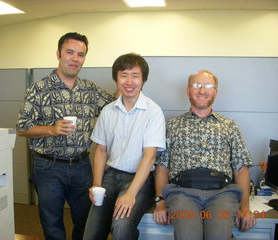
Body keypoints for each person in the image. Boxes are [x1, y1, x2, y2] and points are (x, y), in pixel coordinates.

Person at [16, 32, 118, 240]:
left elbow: (114, 106)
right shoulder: (38, 89)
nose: (75, 58)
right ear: (59, 54)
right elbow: (22, 127)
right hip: (47, 167)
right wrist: (51, 129)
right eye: (70, 52)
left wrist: (125, 80)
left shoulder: (90, 89)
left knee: (85, 220)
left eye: (80, 54)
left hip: (81, 166)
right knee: (52, 222)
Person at [153, 70, 256, 240]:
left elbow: (241, 168)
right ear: (188, 90)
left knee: (219, 236)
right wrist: (160, 202)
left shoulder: (229, 126)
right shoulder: (172, 125)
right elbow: (162, 167)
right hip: (182, 194)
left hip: (222, 194)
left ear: (215, 92)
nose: (202, 90)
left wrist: (245, 207)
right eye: (196, 85)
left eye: (208, 86)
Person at [82, 53, 166, 240]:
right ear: (116, 79)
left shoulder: (153, 112)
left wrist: (130, 194)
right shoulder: (108, 110)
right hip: (110, 177)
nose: (129, 81)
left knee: (121, 227)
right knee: (91, 233)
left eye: (135, 76)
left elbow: (150, 156)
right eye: (124, 75)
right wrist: (96, 184)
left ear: (143, 80)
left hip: (140, 179)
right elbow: (101, 150)